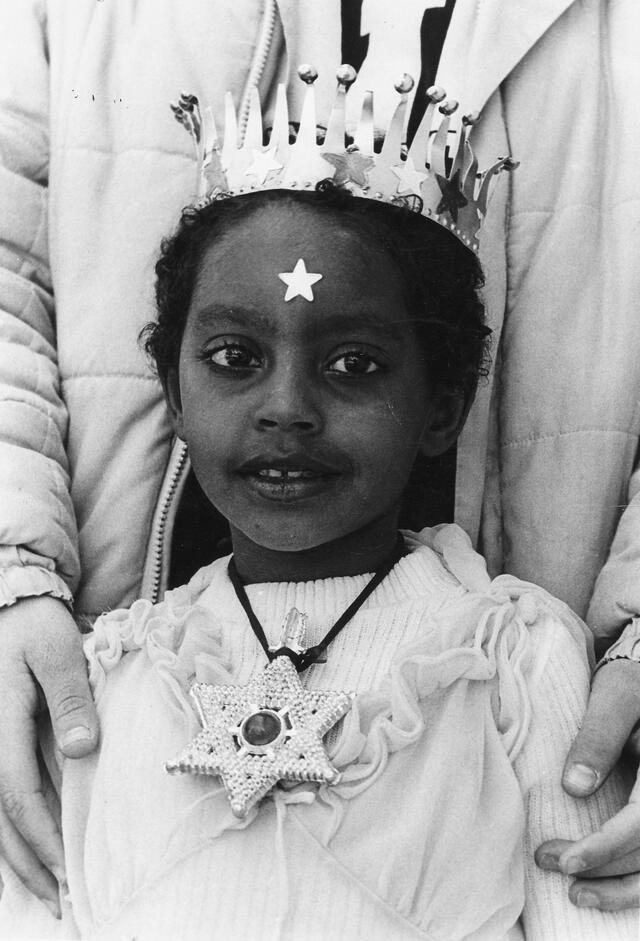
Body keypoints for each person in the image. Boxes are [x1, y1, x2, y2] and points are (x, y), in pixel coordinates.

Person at [1, 0, 640, 917]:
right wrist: (11, 569)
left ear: (443, 404)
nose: (288, 410)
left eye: (352, 365)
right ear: (173, 390)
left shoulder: (512, 660)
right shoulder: (114, 682)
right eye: (233, 360)